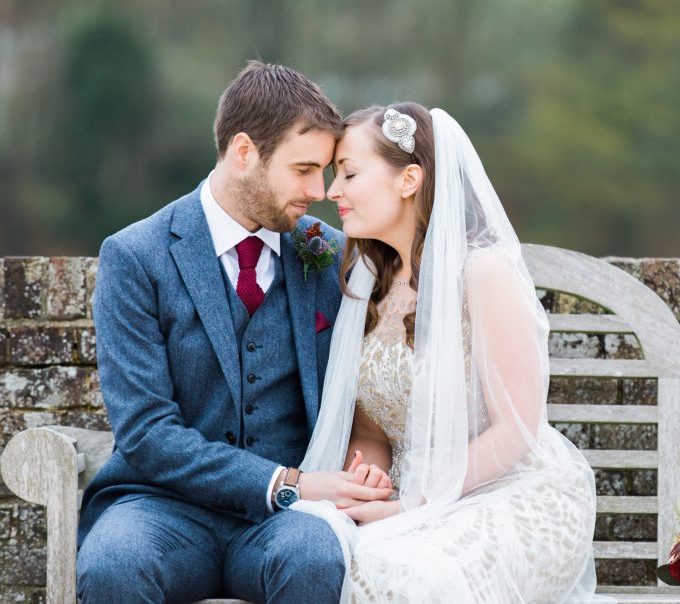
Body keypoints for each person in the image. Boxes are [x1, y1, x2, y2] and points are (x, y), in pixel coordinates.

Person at [76, 62, 392, 603]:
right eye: (304, 169)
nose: (319, 191)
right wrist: (287, 483)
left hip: (285, 525)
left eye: (325, 171)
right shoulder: (135, 257)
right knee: (113, 565)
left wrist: (360, 476)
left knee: (314, 557)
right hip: (159, 506)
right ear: (244, 153)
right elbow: (147, 432)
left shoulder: (330, 254)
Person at [292, 103, 599, 602]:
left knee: (413, 572)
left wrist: (414, 504)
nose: (332, 192)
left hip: (512, 491)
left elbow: (518, 429)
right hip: (411, 498)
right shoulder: (369, 282)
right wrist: (368, 476)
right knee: (327, 547)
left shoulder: (482, 272)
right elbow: (371, 429)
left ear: (409, 179)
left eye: (348, 173)